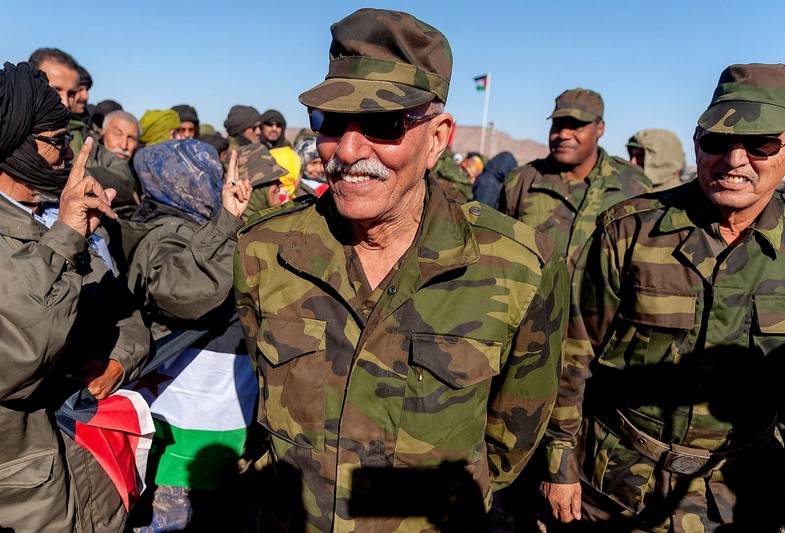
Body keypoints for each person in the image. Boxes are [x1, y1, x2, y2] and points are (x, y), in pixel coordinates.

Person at [233, 8, 568, 531]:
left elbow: (510, 440)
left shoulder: (520, 267)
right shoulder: (265, 249)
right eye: (330, 121)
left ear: (437, 139)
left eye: (384, 124)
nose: (347, 150)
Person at [543, 63, 785, 531]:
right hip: (619, 485)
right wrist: (560, 463)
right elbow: (570, 354)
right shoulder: (630, 231)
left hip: (746, 494)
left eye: (760, 145)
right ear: (697, 143)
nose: (734, 160)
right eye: (717, 141)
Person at [0, 60, 151, 531]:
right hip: (27, 500)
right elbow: (17, 357)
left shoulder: (63, 217)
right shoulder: (62, 227)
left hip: (93, 480)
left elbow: (126, 313)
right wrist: (64, 239)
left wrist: (119, 362)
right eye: (57, 141)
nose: (68, 155)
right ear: (14, 144)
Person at [123, 139, 256, 532]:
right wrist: (226, 224)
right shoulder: (166, 232)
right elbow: (184, 293)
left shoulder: (198, 225)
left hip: (202, 421)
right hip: (179, 424)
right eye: (205, 175)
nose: (212, 182)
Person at [501, 88, 652, 271]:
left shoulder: (634, 185)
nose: (563, 135)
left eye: (576, 125)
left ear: (600, 128)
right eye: (557, 124)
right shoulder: (521, 182)